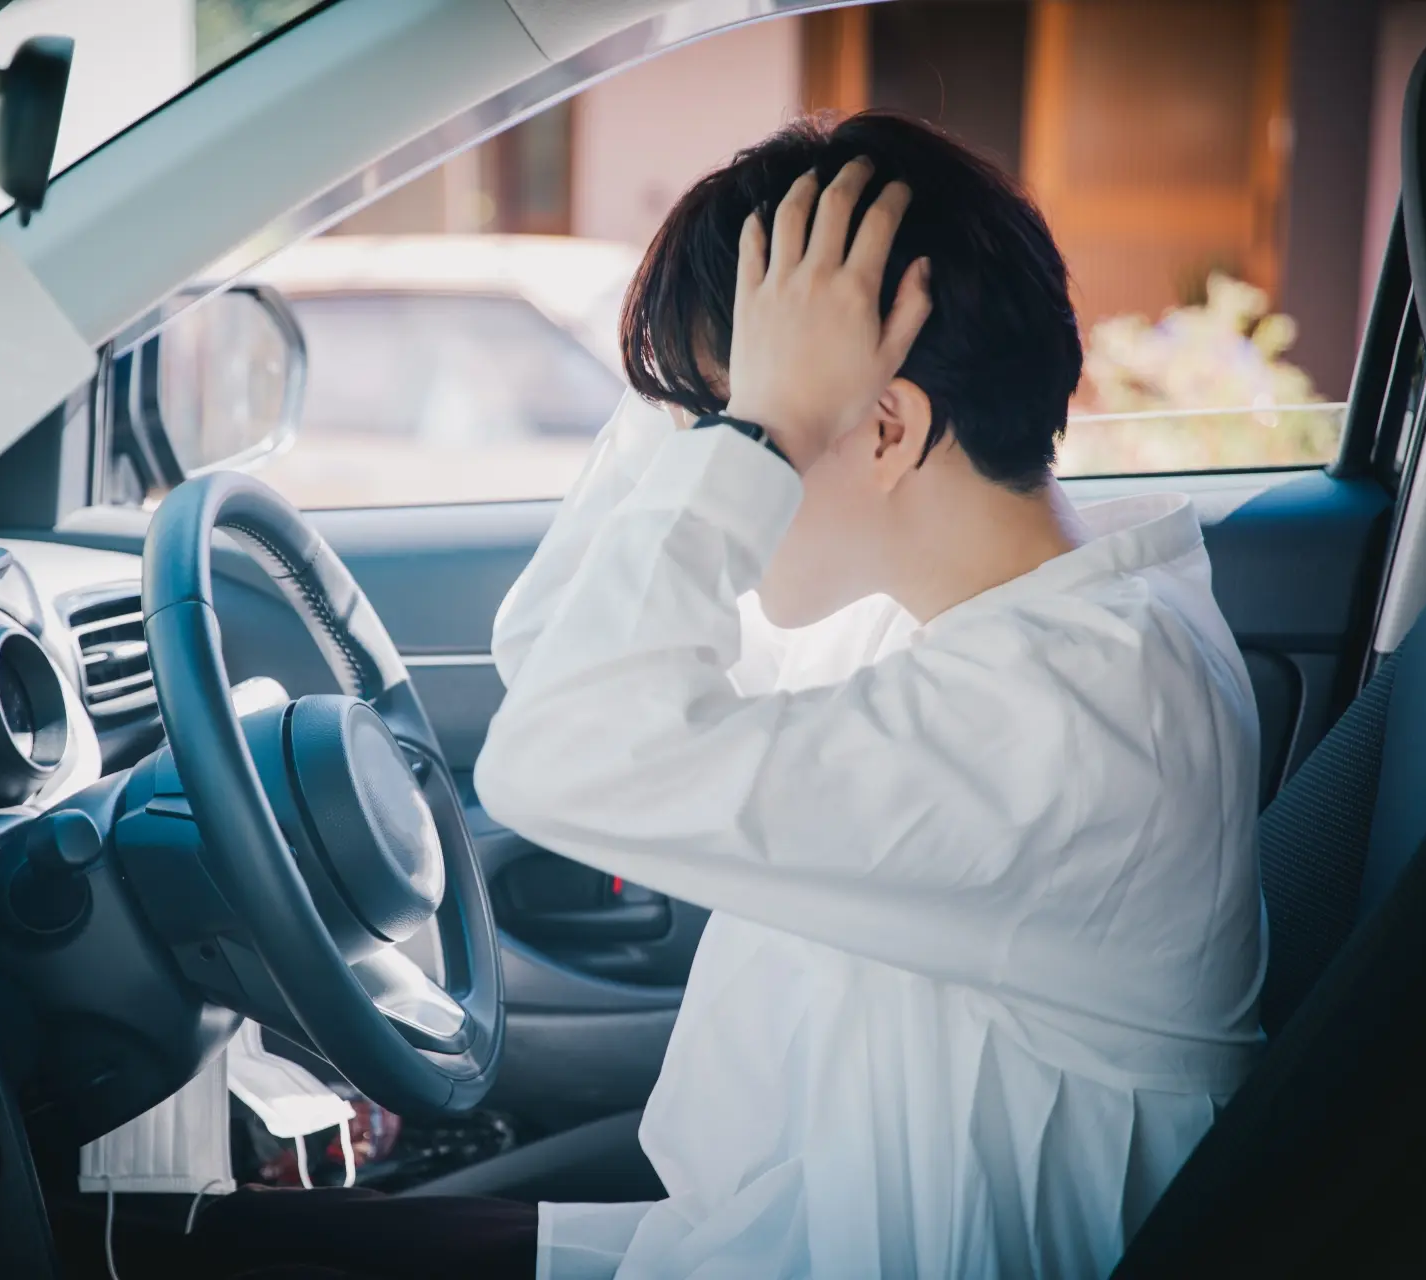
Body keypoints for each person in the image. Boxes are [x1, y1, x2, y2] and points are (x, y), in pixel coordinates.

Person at [471, 110, 1265, 1278]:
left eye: (730, 429)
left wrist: (769, 414)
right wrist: (725, 374)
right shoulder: (947, 611)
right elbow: (551, 657)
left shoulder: (1072, 713)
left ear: (886, 428)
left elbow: (556, 758)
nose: (711, 459)